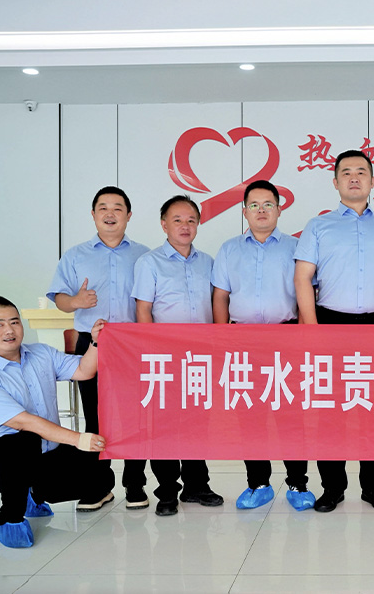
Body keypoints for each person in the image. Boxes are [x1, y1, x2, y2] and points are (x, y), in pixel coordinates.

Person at [294, 149, 374, 513]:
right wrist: (312, 330)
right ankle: (333, 488)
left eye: (361, 171)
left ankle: (373, 487)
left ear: (373, 181)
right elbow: (302, 278)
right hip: (330, 323)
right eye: (346, 172)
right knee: (331, 411)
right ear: (335, 182)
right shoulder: (318, 226)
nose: (354, 177)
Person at [0, 296, 114, 548]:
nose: (9, 330)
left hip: (44, 454)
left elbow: (84, 371)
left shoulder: (41, 353)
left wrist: (96, 342)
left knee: (101, 479)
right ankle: (10, 518)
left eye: (14, 322)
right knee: (23, 441)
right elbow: (25, 422)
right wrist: (78, 438)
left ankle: (32, 492)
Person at [212, 180, 315, 512]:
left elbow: (307, 295)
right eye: (254, 205)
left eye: (268, 204)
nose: (261, 210)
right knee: (249, 416)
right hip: (242, 340)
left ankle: (298, 484)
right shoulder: (229, 249)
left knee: (291, 415)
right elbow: (220, 296)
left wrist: (304, 338)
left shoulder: (296, 248)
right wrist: (222, 339)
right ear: (244, 211)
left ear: (279, 210)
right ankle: (258, 483)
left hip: (286, 338)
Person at [47, 186, 151, 510]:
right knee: (96, 417)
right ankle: (98, 487)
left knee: (136, 415)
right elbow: (60, 299)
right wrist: (76, 301)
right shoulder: (75, 255)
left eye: (117, 208)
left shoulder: (145, 256)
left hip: (134, 344)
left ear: (128, 215)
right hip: (92, 344)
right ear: (93, 215)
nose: (110, 214)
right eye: (103, 208)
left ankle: (135, 485)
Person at [132, 194, 224, 517]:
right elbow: (143, 310)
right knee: (165, 425)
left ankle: (197, 485)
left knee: (198, 422)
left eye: (191, 220)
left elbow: (217, 304)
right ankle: (167, 491)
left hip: (200, 356)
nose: (185, 226)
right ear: (164, 225)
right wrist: (151, 353)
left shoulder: (208, 262)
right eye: (177, 220)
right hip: (164, 357)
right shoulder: (149, 263)